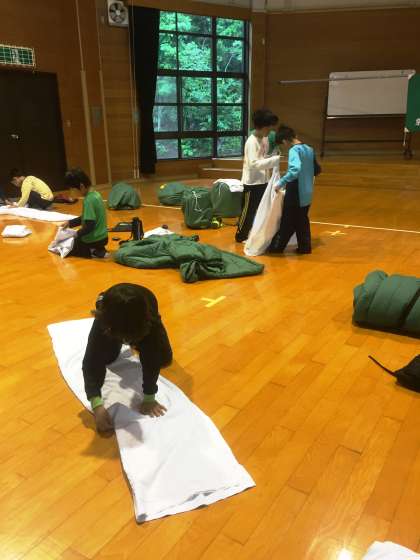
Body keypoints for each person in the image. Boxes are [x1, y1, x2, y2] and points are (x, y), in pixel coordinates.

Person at [83, 283, 173, 434]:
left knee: (163, 358)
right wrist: (96, 404)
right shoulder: (103, 320)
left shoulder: (151, 324)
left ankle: (132, 338)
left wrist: (149, 397)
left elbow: (151, 361)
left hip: (146, 304)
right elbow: (92, 361)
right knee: (108, 357)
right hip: (113, 311)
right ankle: (120, 338)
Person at [268, 125, 321, 255]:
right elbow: (317, 170)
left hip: (296, 192)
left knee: (287, 221)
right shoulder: (309, 149)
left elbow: (295, 170)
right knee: (302, 220)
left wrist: (280, 183)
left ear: (285, 140)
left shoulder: (294, 150)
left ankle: (276, 248)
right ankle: (305, 247)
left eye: (283, 144)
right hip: (307, 192)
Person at [236, 109, 280, 242]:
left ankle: (257, 233)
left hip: (263, 180)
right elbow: (254, 164)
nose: (270, 131)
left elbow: (263, 157)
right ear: (262, 126)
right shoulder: (251, 142)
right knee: (248, 211)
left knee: (262, 209)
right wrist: (274, 160)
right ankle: (241, 235)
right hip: (251, 183)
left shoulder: (264, 138)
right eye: (269, 127)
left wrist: (273, 157)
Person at [62, 168, 108, 259]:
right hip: (103, 238)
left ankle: (92, 251)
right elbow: (86, 218)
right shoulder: (96, 194)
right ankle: (98, 249)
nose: (71, 192)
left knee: (69, 247)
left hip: (94, 239)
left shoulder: (88, 200)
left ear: (81, 186)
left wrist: (76, 234)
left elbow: (89, 226)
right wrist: (70, 223)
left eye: (72, 189)